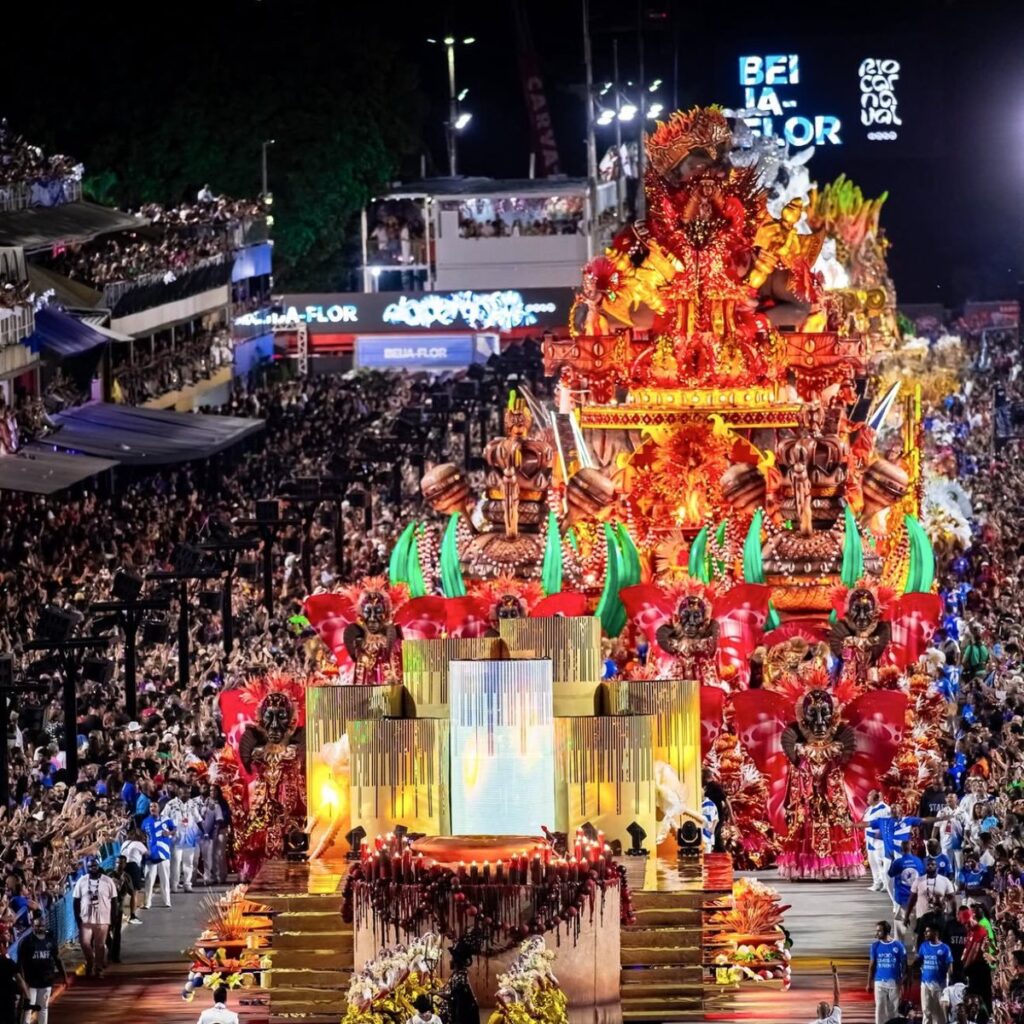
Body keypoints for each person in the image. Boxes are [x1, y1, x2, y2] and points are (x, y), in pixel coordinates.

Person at [72, 857, 119, 978]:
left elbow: (114, 901)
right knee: (84, 942)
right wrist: (77, 918)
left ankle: (98, 969)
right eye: (91, 866)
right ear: (87, 868)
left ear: (98, 866)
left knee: (100, 944)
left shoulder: (108, 881)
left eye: (95, 866)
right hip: (86, 918)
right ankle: (90, 960)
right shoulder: (81, 881)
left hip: (103, 918)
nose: (93, 868)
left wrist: (114, 918)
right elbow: (76, 901)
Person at [17, 912, 66, 1024]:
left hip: (46, 980)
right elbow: (21, 963)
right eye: (38, 926)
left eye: (42, 925)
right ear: (33, 926)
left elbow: (57, 958)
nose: (40, 928)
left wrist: (64, 976)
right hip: (31, 981)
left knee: (43, 1007)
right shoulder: (27, 942)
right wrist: (23, 981)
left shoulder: (50, 940)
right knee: (29, 1007)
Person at [907, 857, 956, 945]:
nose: (930, 866)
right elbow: (912, 899)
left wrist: (954, 915)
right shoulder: (918, 880)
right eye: (928, 865)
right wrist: (907, 916)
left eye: (932, 864)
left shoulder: (945, 880)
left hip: (939, 916)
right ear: (925, 867)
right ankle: (920, 957)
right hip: (922, 917)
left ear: (937, 867)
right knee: (921, 942)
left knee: (942, 940)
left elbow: (952, 898)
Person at [868, 919, 906, 1024]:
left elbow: (904, 966)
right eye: (877, 930)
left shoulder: (898, 946)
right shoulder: (875, 946)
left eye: (879, 931)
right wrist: (869, 983)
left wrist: (901, 982)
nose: (877, 933)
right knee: (880, 1009)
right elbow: (872, 965)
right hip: (879, 982)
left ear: (886, 931)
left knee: (893, 1011)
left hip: (895, 983)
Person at [142, 800, 175, 909]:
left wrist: (169, 833)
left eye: (154, 806)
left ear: (158, 808)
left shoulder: (166, 819)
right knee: (149, 879)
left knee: (165, 878)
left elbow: (174, 829)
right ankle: (147, 903)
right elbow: (142, 836)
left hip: (164, 853)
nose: (152, 808)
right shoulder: (145, 822)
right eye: (151, 806)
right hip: (151, 854)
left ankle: (167, 901)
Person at [918, 923, 953, 1024]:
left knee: (939, 1013)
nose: (925, 933)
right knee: (926, 1011)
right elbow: (920, 960)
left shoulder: (945, 948)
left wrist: (949, 982)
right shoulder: (923, 946)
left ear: (936, 933)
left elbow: (950, 965)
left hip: (940, 984)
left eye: (928, 931)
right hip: (925, 983)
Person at [107, 855, 135, 963]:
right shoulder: (109, 875)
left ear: (125, 864)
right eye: (118, 863)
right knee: (105, 932)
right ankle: (110, 949)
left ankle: (115, 955)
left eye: (121, 863)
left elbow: (132, 893)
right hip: (107, 907)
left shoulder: (127, 877)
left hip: (118, 908)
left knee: (116, 932)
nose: (119, 865)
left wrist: (132, 913)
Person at [865, 790, 894, 892]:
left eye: (869, 795)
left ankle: (887, 884)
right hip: (870, 840)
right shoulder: (869, 809)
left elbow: (888, 824)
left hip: (880, 840)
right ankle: (876, 883)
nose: (867, 797)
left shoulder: (885, 809)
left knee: (881, 862)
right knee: (873, 862)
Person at [0, 927, 30, 1024]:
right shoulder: (7, 961)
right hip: (8, 999)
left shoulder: (6, 957)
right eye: (5, 933)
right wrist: (27, 997)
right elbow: (19, 979)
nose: (8, 934)